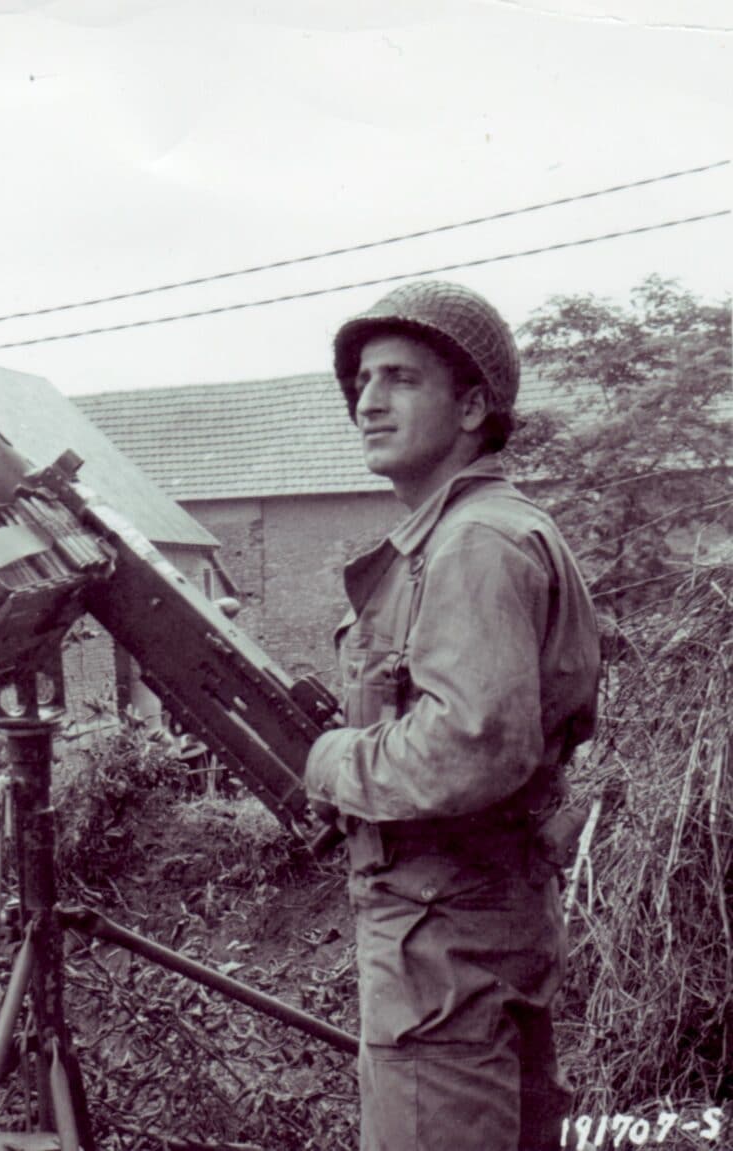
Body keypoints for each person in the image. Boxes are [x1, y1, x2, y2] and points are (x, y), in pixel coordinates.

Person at [303, 281, 600, 1151]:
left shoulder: (475, 542)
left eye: (400, 378)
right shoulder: (471, 532)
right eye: (362, 380)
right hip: (472, 926)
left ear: (473, 406)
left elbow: (472, 748)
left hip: (446, 952)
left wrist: (328, 760)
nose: (368, 401)